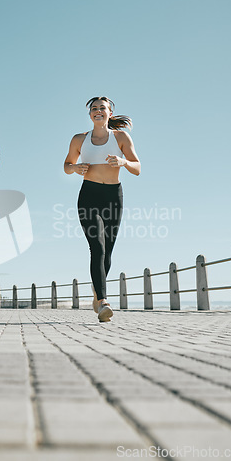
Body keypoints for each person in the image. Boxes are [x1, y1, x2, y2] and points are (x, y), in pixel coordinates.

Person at [64, 96, 141, 322]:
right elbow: (67, 166)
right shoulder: (79, 139)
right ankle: (104, 302)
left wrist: (123, 162)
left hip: (113, 197)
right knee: (97, 247)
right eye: (94, 109)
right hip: (89, 195)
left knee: (107, 251)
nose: (98, 111)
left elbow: (137, 168)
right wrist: (75, 168)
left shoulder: (121, 137)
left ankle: (97, 295)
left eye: (102, 108)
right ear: (90, 115)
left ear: (109, 113)